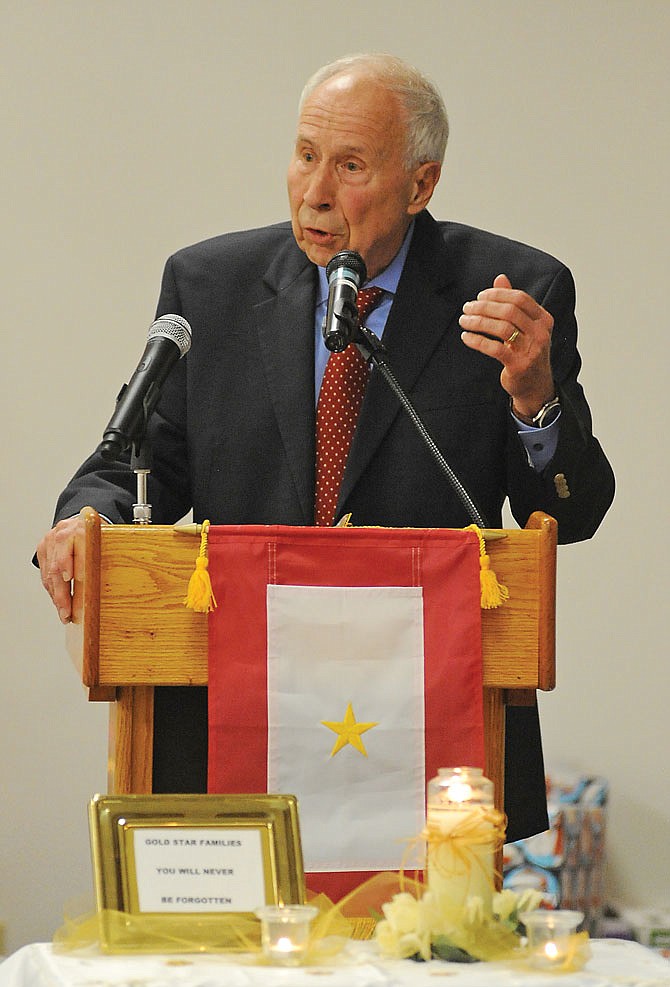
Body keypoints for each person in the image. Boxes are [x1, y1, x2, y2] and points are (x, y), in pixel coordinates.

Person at [36, 53, 614, 843]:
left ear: (420, 184)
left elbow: (566, 512)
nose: (315, 192)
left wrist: (535, 398)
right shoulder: (211, 286)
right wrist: (86, 520)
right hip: (232, 715)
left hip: (425, 733)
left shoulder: (509, 296)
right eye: (306, 155)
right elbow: (141, 463)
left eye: (349, 166)